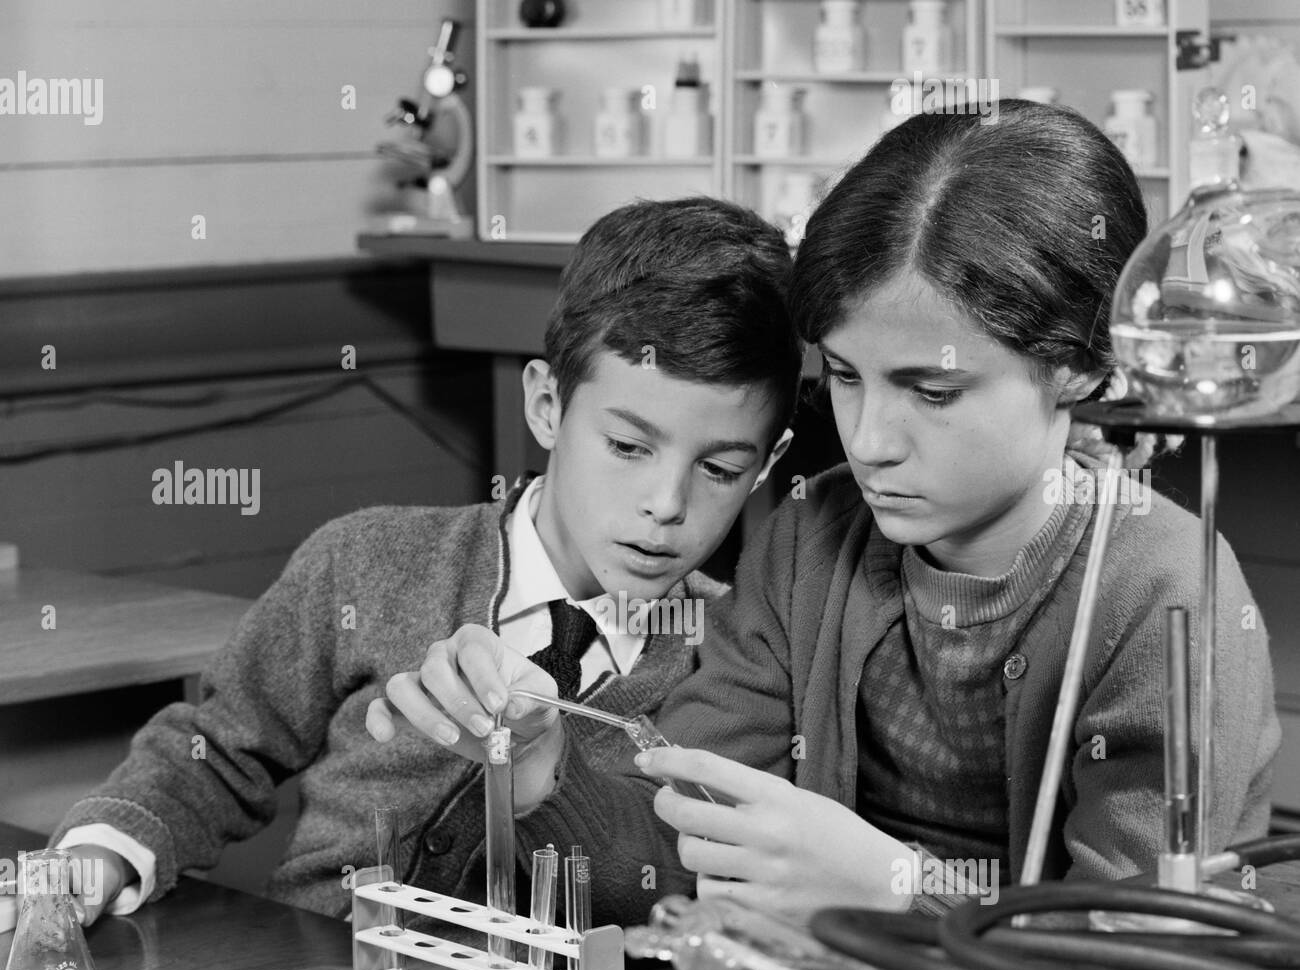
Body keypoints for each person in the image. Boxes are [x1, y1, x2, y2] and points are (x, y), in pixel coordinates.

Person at [385, 102, 1280, 924]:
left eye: (931, 390)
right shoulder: (812, 543)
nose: (870, 440)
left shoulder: (1164, 592)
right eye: (846, 378)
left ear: (1079, 367)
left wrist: (895, 892)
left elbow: (1133, 963)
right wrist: (545, 778)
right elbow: (670, 849)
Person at [46, 196, 800, 925]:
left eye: (721, 470)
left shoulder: (738, 660)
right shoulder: (368, 560)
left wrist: (550, 771)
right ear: (546, 405)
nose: (666, 504)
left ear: (768, 467)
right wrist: (103, 851)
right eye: (628, 447)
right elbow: (213, 752)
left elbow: (676, 892)